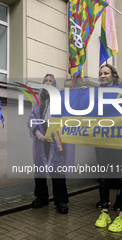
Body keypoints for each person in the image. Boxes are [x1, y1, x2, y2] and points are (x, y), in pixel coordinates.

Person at [94, 64, 122, 233]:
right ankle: (104, 212)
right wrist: (81, 94)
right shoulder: (95, 94)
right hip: (102, 142)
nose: (103, 75)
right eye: (100, 73)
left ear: (113, 75)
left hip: (120, 142)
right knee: (104, 177)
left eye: (106, 73)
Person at [28, 74, 75, 214]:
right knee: (40, 170)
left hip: (57, 139)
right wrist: (37, 133)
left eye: (51, 81)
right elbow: (32, 118)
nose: (48, 83)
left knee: (58, 170)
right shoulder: (37, 101)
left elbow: (72, 104)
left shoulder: (61, 99)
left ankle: (60, 200)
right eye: (46, 81)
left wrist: (82, 90)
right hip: (41, 140)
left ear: (55, 85)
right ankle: (41, 197)